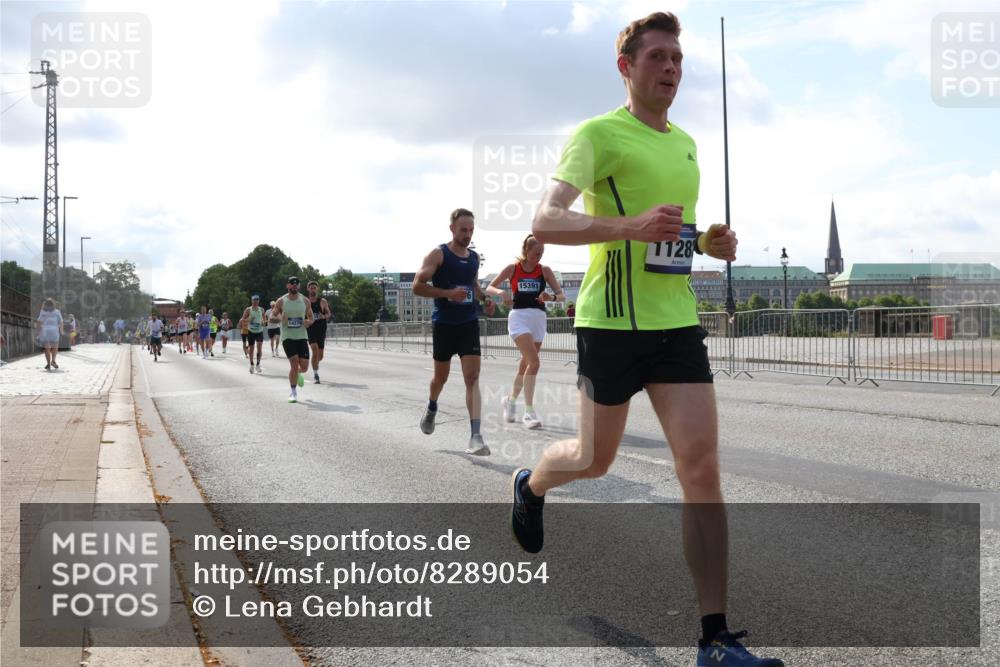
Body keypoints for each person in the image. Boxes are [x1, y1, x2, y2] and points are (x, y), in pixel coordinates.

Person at [508, 13, 782, 667]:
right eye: (657, 56)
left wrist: (708, 242)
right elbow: (545, 219)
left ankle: (713, 639)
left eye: (677, 58)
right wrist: (628, 225)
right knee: (593, 459)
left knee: (701, 467)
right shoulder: (598, 134)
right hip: (610, 324)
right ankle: (532, 484)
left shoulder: (686, 145)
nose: (671, 68)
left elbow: (674, 236)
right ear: (626, 67)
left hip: (675, 324)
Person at [412, 208, 495, 456]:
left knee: (472, 377)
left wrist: (485, 298)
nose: (468, 235)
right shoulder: (438, 254)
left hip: (468, 322)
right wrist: (448, 294)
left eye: (471, 230)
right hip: (444, 325)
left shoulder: (473, 257)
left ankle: (476, 437)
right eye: (463, 230)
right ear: (452, 229)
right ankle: (432, 406)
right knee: (441, 378)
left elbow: (473, 284)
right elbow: (417, 286)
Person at [487, 234, 564, 429]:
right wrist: (501, 293)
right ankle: (529, 412)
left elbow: (561, 295)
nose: (539, 256)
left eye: (542, 253)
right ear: (526, 251)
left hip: (538, 319)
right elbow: (489, 287)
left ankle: (510, 400)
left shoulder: (545, 270)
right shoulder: (513, 268)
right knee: (534, 363)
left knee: (525, 366)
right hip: (519, 318)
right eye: (536, 252)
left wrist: (551, 297)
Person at [271, 277, 313, 402]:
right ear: (287, 285)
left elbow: (311, 317)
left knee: (304, 367)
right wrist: (280, 318)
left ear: (299, 286)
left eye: (297, 284)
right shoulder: (281, 301)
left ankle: (297, 373)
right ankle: (293, 392)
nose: (294, 285)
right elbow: (272, 317)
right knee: (294, 363)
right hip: (288, 337)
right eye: (292, 283)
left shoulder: (305, 301)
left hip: (302, 337)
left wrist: (308, 322)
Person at [306, 280, 332, 383]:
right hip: (311, 329)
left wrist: (323, 316)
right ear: (308, 289)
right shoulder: (305, 302)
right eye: (311, 288)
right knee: (315, 351)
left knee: (320, 356)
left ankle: (315, 364)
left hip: (321, 330)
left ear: (317, 289)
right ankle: (316, 374)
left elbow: (329, 314)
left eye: (314, 288)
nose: (313, 289)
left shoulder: (323, 301)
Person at [36, 297, 64, 371]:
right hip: (54, 331)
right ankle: (53, 361)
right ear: (53, 304)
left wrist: (38, 332)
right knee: (55, 346)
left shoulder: (42, 311)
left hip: (45, 332)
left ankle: (48, 364)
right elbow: (61, 322)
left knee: (47, 348)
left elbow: (39, 322)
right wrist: (61, 331)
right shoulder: (57, 312)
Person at [240, 295, 266, 374]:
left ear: (258, 301)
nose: (255, 302)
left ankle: (258, 364)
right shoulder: (248, 309)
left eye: (257, 300)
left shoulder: (261, 309)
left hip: (259, 331)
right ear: (251, 301)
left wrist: (263, 322)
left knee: (259, 348)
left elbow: (264, 319)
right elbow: (242, 319)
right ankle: (251, 365)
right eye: (254, 300)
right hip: (251, 331)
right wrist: (249, 320)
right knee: (251, 349)